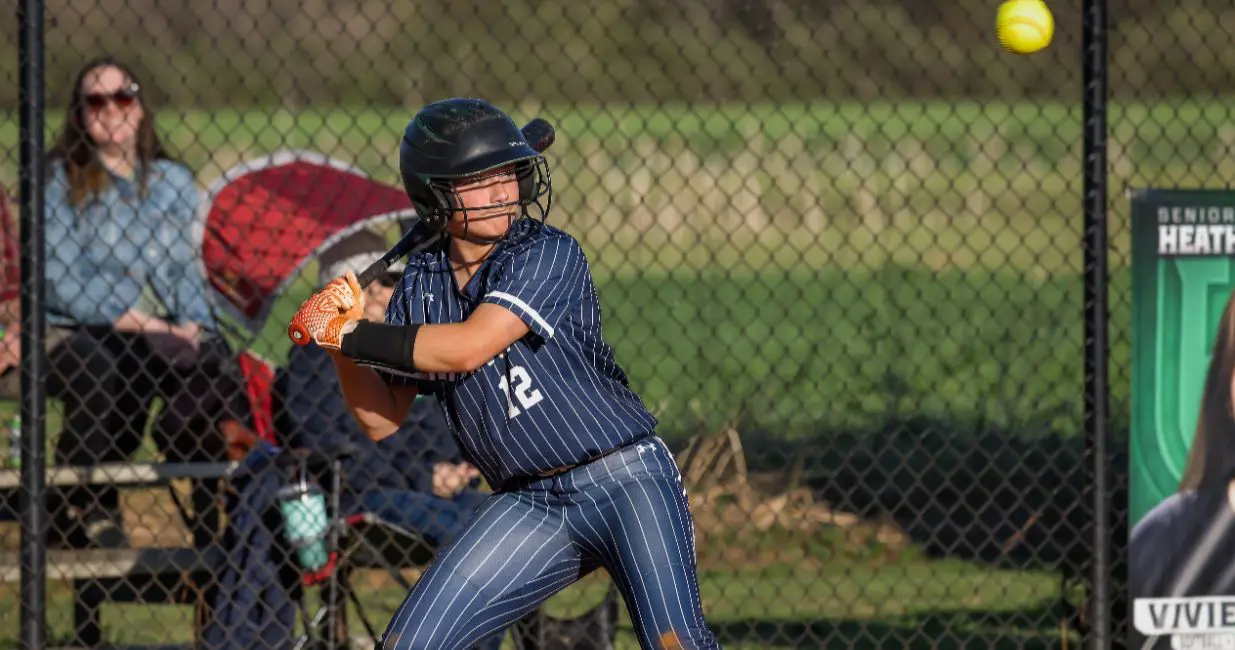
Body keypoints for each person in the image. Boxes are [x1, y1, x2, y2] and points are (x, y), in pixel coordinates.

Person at [293, 98, 720, 649]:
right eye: (480, 181)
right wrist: (339, 347)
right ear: (435, 195)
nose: (503, 192)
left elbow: (467, 347)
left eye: (508, 174)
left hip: (624, 480)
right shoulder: (421, 284)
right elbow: (381, 420)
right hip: (529, 504)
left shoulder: (545, 252)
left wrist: (350, 333)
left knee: (676, 643)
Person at [0, 56, 255, 548]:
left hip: (164, 326)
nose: (111, 109)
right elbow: (60, 282)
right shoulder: (58, 181)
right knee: (111, 364)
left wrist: (191, 327)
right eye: (96, 101)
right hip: (84, 326)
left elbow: (188, 269)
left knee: (211, 369)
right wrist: (144, 324)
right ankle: (83, 502)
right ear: (79, 114)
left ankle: (214, 530)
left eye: (123, 96)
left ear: (139, 107)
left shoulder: (171, 182)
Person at [280, 227, 487, 539]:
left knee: (510, 518)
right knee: (470, 534)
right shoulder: (316, 356)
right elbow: (337, 451)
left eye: (389, 280)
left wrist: (458, 468)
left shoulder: (402, 348)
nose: (378, 293)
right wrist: (424, 477)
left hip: (423, 491)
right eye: (364, 284)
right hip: (363, 497)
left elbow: (433, 430)